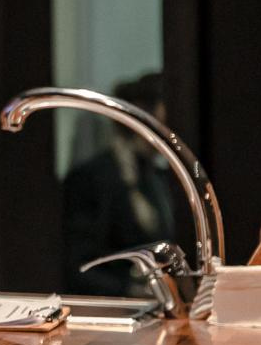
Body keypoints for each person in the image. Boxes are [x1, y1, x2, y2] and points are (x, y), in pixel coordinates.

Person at [63, 71, 186, 296]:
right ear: (144, 115)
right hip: (115, 304)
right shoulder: (94, 177)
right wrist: (131, 290)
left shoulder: (158, 176)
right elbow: (78, 267)